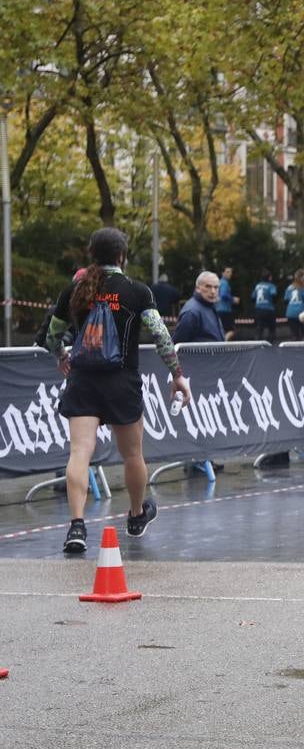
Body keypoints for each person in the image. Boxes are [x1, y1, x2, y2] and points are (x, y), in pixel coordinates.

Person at [42, 228, 192, 554]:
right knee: (133, 454)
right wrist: (177, 375)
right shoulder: (137, 291)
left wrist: (62, 357)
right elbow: (160, 335)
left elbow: (53, 336)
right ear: (122, 255)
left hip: (83, 380)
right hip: (122, 382)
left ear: (91, 254)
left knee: (80, 452)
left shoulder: (76, 290)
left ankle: (77, 526)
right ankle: (137, 515)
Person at [173, 271, 226, 343]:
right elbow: (178, 345)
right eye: (208, 286)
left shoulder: (210, 306)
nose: (213, 291)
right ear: (198, 288)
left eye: (216, 287)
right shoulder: (191, 312)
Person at [284, 269, 304, 340]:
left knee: (294, 334)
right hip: (302, 312)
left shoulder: (289, 287)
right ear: (303, 277)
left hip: (290, 313)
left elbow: (286, 300)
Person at [253, 270, 278, 343]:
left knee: (259, 327)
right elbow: (274, 295)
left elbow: (253, 297)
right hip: (269, 309)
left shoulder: (258, 286)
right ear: (269, 278)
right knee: (272, 327)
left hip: (258, 309)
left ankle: (257, 342)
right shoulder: (271, 286)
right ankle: (270, 343)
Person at [215, 265, 239, 340]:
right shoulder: (224, 283)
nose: (230, 273)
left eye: (231, 272)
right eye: (227, 272)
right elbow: (223, 295)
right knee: (232, 330)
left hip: (218, 309)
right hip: (225, 310)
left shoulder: (219, 282)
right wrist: (233, 299)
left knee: (222, 329)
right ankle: (223, 344)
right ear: (223, 273)